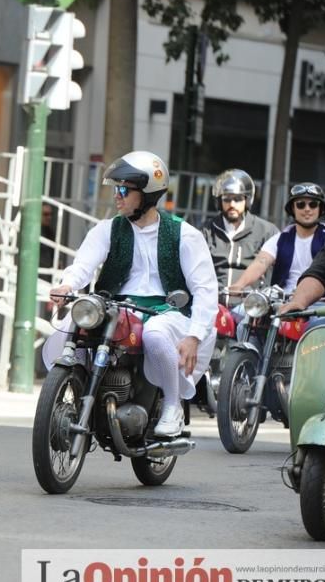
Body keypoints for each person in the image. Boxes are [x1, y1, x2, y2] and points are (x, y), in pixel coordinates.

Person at [45, 151, 218, 437]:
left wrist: (194, 336)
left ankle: (172, 407)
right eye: (116, 189)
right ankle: (76, 391)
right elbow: (83, 266)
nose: (117, 195)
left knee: (155, 335)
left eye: (124, 189)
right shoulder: (107, 229)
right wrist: (68, 286)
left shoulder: (184, 235)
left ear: (148, 194)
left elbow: (205, 289)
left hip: (167, 312)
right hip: (115, 307)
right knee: (70, 328)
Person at [230, 183, 325, 294]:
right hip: (282, 302)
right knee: (238, 311)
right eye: (301, 205)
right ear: (293, 209)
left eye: (313, 204)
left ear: (320, 209)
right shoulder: (280, 239)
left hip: (320, 302)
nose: (307, 209)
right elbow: (261, 262)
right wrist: (239, 285)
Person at [201, 169, 279, 291]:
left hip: (251, 304)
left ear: (247, 201)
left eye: (237, 199)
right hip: (212, 301)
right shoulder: (205, 231)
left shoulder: (267, 231)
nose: (232, 204)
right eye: (226, 199)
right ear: (219, 202)